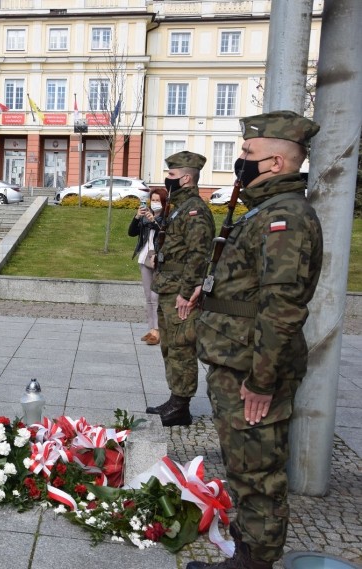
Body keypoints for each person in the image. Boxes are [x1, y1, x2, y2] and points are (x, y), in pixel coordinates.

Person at [187, 111, 322, 569]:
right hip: (236, 359)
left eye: (248, 153)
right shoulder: (264, 212)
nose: (240, 160)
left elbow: (282, 309)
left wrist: (261, 382)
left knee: (258, 471)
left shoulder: (287, 220)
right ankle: (246, 552)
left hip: (252, 369)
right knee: (244, 466)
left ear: (277, 164)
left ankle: (256, 561)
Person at [146, 151, 216, 426]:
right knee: (170, 347)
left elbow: (199, 255)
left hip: (179, 291)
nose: (168, 179)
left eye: (172, 175)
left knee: (181, 347)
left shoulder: (195, 210)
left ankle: (181, 405)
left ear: (186, 178)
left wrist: (187, 293)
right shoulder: (178, 207)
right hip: (168, 286)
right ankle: (176, 399)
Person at [128, 187, 167, 346]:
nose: (155, 203)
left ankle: (158, 331)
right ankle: (151, 329)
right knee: (148, 297)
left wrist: (155, 221)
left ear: (164, 202)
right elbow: (131, 233)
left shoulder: (167, 218)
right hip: (145, 258)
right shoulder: (145, 216)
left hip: (158, 259)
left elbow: (165, 234)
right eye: (153, 200)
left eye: (158, 200)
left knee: (155, 297)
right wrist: (137, 217)